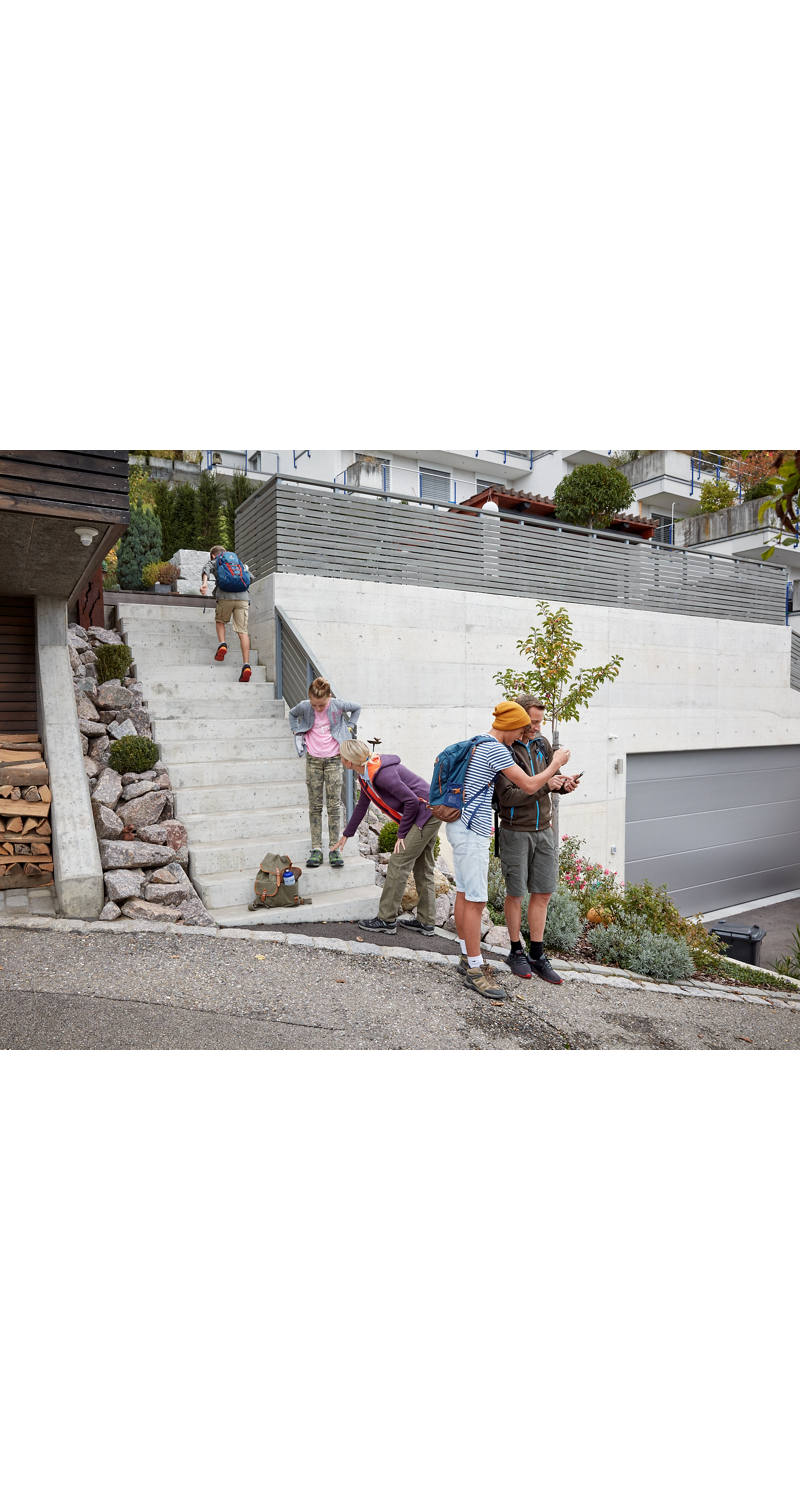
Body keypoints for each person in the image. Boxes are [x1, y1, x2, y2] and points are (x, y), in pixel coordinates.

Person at [447, 701, 570, 999]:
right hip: (472, 830)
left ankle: (467, 957)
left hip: (460, 826)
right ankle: (476, 969)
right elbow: (527, 786)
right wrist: (555, 764)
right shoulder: (496, 749)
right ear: (513, 725)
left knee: (464, 894)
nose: (522, 735)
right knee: (475, 900)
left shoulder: (479, 742)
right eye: (522, 728)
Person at [494, 694, 580, 984]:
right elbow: (509, 797)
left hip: (544, 829)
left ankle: (537, 953)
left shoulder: (541, 743)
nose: (535, 728)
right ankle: (515, 951)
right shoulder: (504, 747)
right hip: (516, 830)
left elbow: (544, 781)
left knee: (543, 892)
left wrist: (563, 785)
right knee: (515, 893)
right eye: (531, 722)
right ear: (518, 718)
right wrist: (547, 782)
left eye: (539, 723)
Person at [333, 740, 442, 935]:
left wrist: (402, 834)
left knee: (398, 863)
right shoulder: (365, 775)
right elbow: (361, 807)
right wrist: (346, 835)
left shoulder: (382, 775)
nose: (340, 759)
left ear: (349, 761)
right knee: (423, 866)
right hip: (426, 812)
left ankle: (386, 919)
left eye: (341, 756)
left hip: (426, 813)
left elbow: (411, 802)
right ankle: (427, 921)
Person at [288, 678, 361, 868]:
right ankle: (316, 849)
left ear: (329, 697)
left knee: (334, 805)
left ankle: (334, 849)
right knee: (315, 805)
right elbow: (292, 714)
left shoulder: (337, 705)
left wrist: (350, 726)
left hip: (334, 759)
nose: (317, 708)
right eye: (314, 704)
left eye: (321, 705)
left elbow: (357, 708)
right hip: (313, 759)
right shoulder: (305, 707)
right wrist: (297, 731)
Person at [200, 545, 252, 682]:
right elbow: (250, 577)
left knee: (220, 621)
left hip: (224, 597)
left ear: (213, 555)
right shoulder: (237, 562)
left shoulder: (215, 561)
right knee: (243, 632)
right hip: (243, 599)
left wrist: (204, 584)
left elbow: (206, 569)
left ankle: (222, 643)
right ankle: (246, 665)